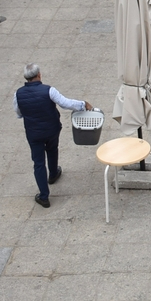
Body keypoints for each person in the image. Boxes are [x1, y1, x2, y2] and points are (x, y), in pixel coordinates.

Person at [13, 64, 93, 208]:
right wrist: (83, 104)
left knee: (38, 163)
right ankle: (53, 173)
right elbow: (65, 103)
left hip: (33, 133)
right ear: (39, 75)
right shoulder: (49, 90)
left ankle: (44, 196)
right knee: (52, 149)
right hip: (51, 129)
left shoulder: (18, 94)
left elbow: (18, 113)